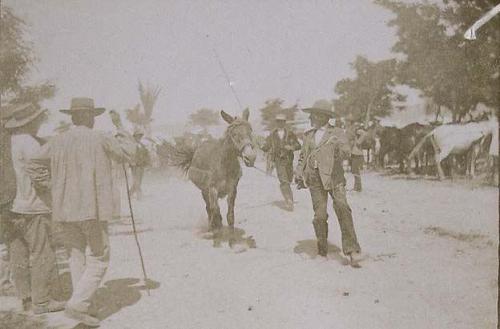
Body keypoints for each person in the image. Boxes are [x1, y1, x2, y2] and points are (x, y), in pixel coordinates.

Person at [31, 97, 135, 326]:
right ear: (89, 117)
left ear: (73, 117)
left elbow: (34, 163)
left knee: (75, 256)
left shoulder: (57, 140)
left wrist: (49, 186)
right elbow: (129, 154)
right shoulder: (101, 138)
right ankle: (77, 305)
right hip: (92, 210)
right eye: (93, 117)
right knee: (99, 257)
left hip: (64, 210)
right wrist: (120, 127)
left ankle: (82, 304)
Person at [4, 103, 65, 314]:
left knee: (17, 253)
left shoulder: (8, 142)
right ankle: (42, 301)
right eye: (38, 119)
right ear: (30, 121)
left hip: (11, 207)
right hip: (33, 206)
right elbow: (38, 171)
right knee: (42, 252)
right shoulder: (29, 142)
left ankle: (26, 299)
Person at [294, 100, 362, 267]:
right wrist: (298, 172)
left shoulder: (337, 132)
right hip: (315, 180)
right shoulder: (308, 135)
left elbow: (346, 152)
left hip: (334, 178)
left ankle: (352, 251)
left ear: (323, 117)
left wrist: (339, 148)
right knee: (319, 215)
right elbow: (303, 156)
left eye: (314, 114)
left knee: (342, 208)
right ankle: (322, 251)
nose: (310, 117)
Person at [261, 114, 301, 210]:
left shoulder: (290, 134)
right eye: (278, 121)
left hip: (289, 161)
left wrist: (291, 147)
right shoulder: (272, 135)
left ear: (285, 122)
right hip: (278, 161)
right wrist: (261, 146)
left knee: (289, 179)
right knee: (284, 181)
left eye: (282, 121)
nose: (280, 123)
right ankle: (289, 200)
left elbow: (299, 145)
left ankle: (289, 199)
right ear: (276, 122)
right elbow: (266, 147)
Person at [0, 105, 17, 295]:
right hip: (5, 197)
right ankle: (4, 282)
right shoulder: (7, 140)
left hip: (5, 195)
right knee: (6, 241)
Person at [130, 128, 151, 200]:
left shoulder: (142, 145)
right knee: (137, 181)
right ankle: (139, 196)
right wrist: (132, 163)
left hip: (141, 165)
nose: (139, 137)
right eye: (137, 136)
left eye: (140, 136)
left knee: (139, 181)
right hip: (135, 166)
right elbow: (130, 155)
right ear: (134, 137)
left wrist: (147, 163)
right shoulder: (132, 145)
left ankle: (130, 193)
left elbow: (146, 154)